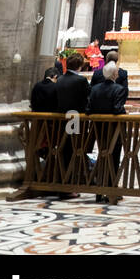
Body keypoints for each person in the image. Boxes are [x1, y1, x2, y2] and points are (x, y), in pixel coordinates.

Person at [86, 62, 127, 204]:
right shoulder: (119, 89)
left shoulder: (95, 89)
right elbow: (117, 109)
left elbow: (89, 109)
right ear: (115, 74)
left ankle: (99, 190)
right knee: (114, 157)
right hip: (113, 130)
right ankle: (112, 189)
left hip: (98, 129)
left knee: (102, 157)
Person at [55, 52, 90, 198]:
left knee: (62, 150)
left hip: (60, 119)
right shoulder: (80, 81)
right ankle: (69, 186)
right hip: (75, 119)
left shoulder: (60, 79)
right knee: (73, 149)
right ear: (80, 66)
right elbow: (87, 99)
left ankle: (60, 182)